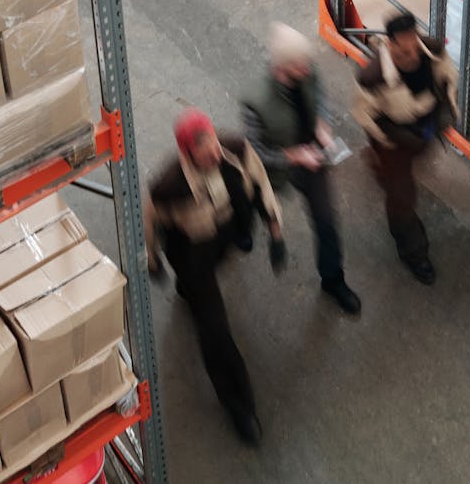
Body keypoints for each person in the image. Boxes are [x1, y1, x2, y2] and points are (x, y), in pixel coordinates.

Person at [144, 109, 287, 446]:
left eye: (211, 141)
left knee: (204, 286)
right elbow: (149, 223)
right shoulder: (169, 187)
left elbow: (261, 183)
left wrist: (276, 232)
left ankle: (189, 290)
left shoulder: (235, 149)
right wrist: (153, 260)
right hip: (192, 253)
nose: (212, 152)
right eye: (201, 149)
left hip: (225, 234)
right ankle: (239, 404)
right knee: (214, 332)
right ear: (187, 153)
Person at [241, 23, 361, 315]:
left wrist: (322, 124)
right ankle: (241, 229)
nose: (308, 69)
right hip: (276, 166)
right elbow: (255, 153)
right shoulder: (254, 101)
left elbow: (319, 96)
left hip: (311, 158)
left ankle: (333, 279)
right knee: (251, 202)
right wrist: (293, 157)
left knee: (326, 222)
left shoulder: (308, 71)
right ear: (282, 68)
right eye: (300, 66)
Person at [352, 12, 458, 285]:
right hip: (393, 136)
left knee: (417, 159)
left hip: (424, 129)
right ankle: (413, 252)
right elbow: (363, 114)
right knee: (401, 196)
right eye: (404, 48)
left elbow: (447, 73)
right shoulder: (372, 76)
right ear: (390, 44)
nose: (412, 52)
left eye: (414, 43)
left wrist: (447, 104)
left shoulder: (430, 49)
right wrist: (388, 141)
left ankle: (381, 169)